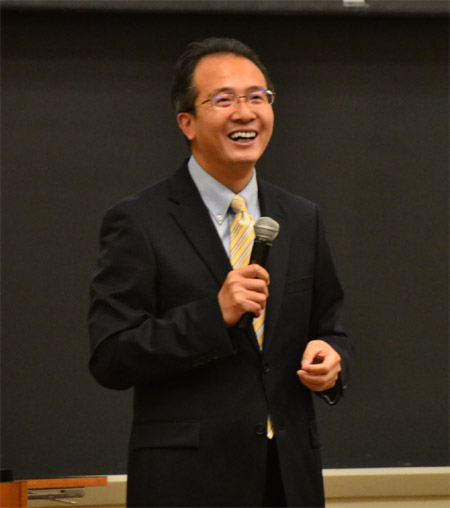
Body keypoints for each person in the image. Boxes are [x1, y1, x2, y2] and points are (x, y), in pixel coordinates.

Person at [89, 37, 354, 508]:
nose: (245, 113)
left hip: (289, 478)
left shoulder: (300, 218)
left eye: (257, 97)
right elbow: (112, 356)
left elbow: (331, 327)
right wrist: (214, 315)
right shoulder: (140, 220)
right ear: (187, 123)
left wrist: (333, 361)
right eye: (224, 99)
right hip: (187, 482)